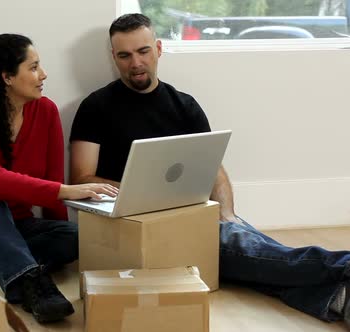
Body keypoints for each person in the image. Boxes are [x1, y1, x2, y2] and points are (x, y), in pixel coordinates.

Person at [69, 13, 350, 325]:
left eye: (143, 51)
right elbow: (81, 177)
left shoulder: (184, 104)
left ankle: (339, 298)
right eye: (124, 55)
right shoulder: (96, 107)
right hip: (133, 221)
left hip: (192, 212)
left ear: (158, 49)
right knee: (248, 252)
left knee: (247, 251)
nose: (135, 63)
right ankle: (344, 265)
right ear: (113, 57)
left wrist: (227, 215)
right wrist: (137, 193)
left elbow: (214, 168)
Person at [0, 33, 118, 323]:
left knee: (78, 239)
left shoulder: (46, 112)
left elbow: (52, 183)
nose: (43, 74)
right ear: (7, 77)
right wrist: (68, 191)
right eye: (33, 68)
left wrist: (61, 220)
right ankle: (31, 283)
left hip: (17, 226)